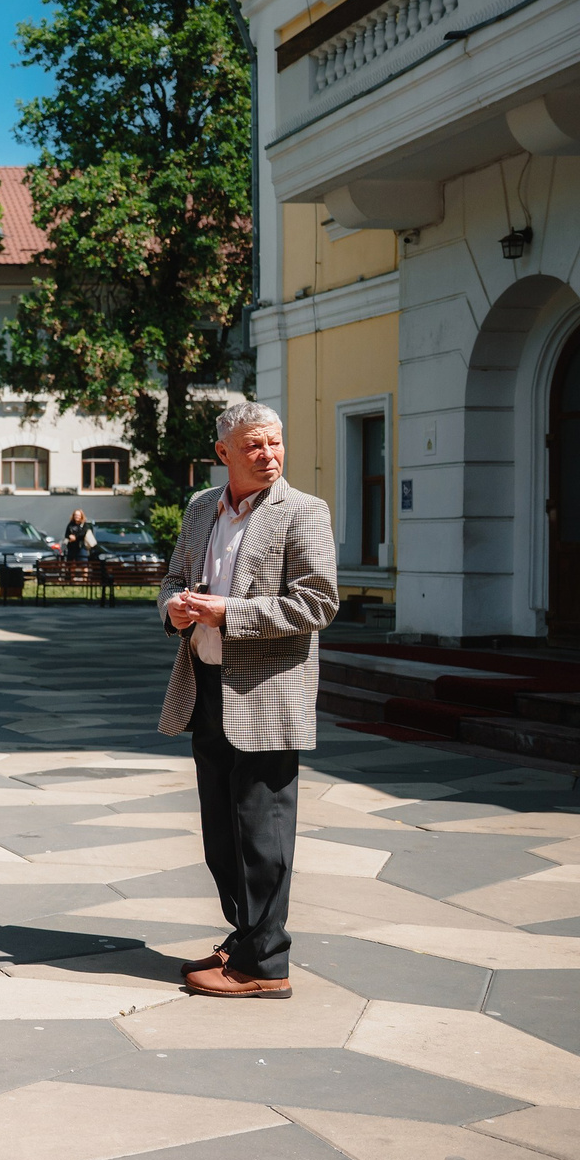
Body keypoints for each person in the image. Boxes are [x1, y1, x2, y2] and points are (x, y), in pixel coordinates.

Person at [160, 402, 337, 1000]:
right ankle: (245, 937)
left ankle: (266, 965)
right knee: (221, 830)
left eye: (275, 443)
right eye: (254, 445)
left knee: (263, 830)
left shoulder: (303, 512)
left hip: (268, 694)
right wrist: (176, 608)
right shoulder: (201, 508)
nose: (269, 455)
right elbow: (172, 578)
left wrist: (228, 613)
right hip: (207, 685)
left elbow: (317, 604)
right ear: (224, 454)